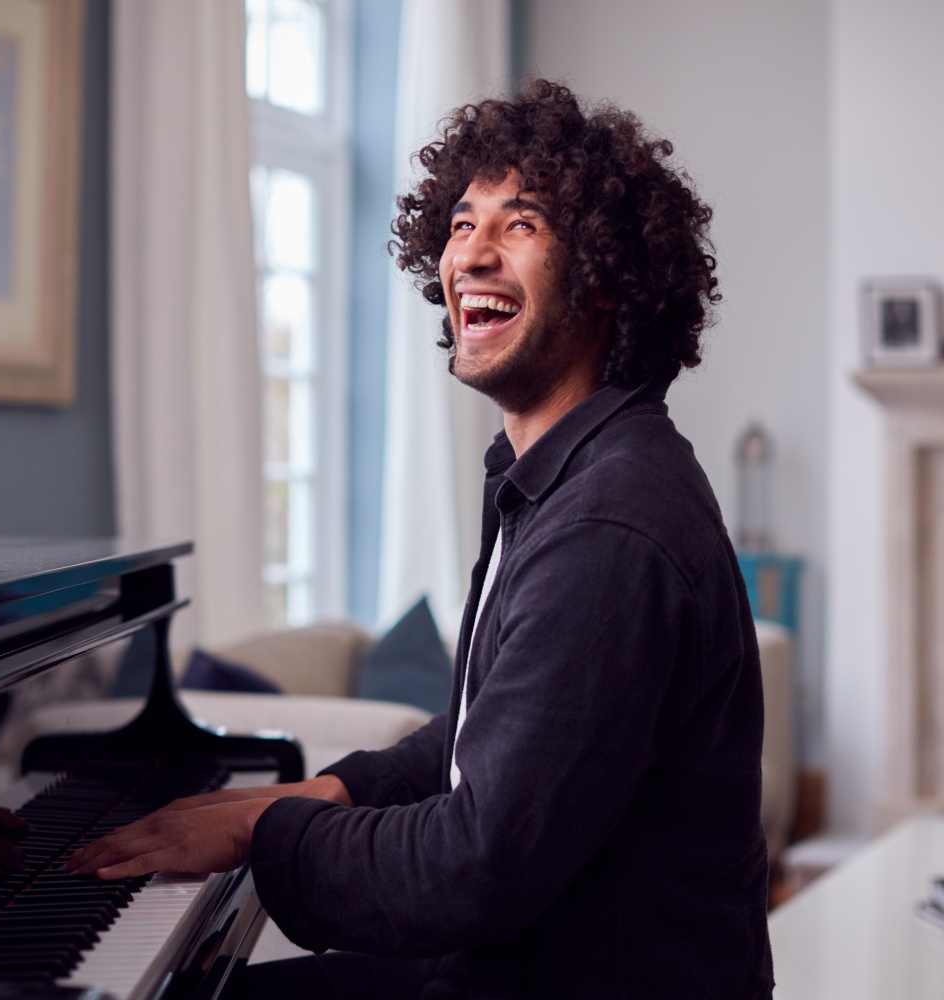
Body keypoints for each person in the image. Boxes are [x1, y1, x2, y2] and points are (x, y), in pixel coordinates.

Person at [69, 79, 774, 999]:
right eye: (458, 224)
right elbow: (505, 726)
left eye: (519, 226)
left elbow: (474, 866)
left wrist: (259, 833)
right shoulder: (566, 474)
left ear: (603, 274)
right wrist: (331, 792)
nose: (470, 254)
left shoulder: (610, 522)